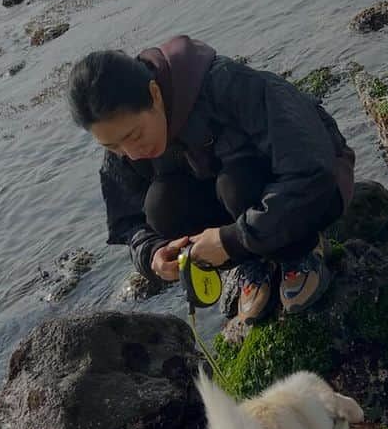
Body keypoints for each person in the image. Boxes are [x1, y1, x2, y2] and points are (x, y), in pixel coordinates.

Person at [67, 35, 354, 324]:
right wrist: (154, 254)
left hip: (319, 190)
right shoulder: (123, 144)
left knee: (235, 184)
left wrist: (232, 239)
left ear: (154, 94)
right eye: (112, 146)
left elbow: (312, 170)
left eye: (134, 135)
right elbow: (129, 223)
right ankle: (254, 264)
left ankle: (301, 253)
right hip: (243, 221)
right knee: (161, 206)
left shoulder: (228, 85)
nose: (131, 152)